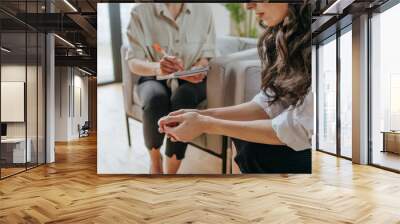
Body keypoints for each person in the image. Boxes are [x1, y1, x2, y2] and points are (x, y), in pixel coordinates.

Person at [159, 2, 313, 174]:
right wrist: (201, 115)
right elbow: (271, 102)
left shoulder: (329, 33)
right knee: (244, 139)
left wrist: (205, 124)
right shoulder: (284, 36)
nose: (248, 6)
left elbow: (300, 127)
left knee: (253, 149)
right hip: (169, 79)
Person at [126, 3, 216, 174]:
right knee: (155, 99)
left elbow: (207, 55)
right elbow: (133, 62)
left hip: (191, 80)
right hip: (154, 76)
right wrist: (158, 68)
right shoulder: (140, 12)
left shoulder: (204, 10)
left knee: (183, 99)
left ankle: (171, 174)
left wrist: (197, 69)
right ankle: (155, 165)